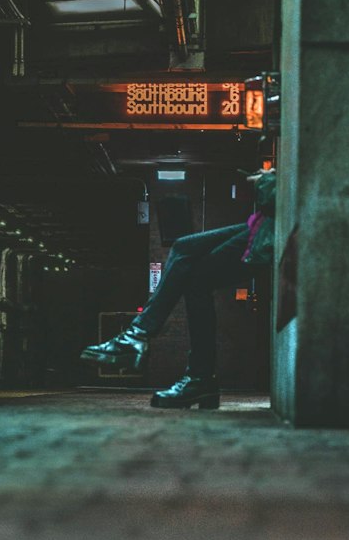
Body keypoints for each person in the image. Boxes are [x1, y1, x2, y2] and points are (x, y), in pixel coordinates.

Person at [80, 167, 277, 409]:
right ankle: (199, 379)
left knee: (184, 249)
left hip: (271, 231)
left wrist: (265, 181)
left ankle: (140, 338)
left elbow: (287, 196)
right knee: (193, 275)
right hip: (263, 228)